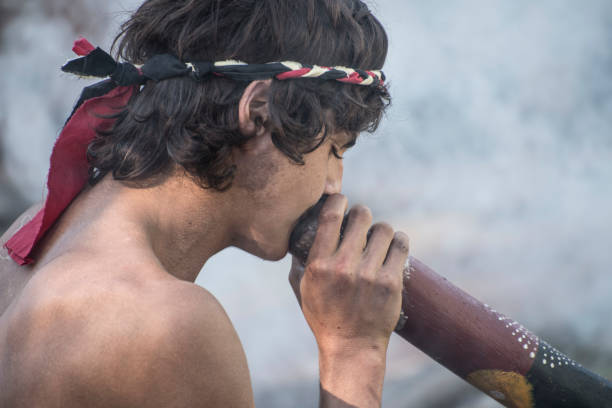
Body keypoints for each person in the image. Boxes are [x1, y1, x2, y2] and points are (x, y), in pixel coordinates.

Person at [0, 0, 410, 406]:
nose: (333, 186)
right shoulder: (169, 325)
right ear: (258, 112)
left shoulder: (31, 234)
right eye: (335, 149)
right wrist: (354, 352)